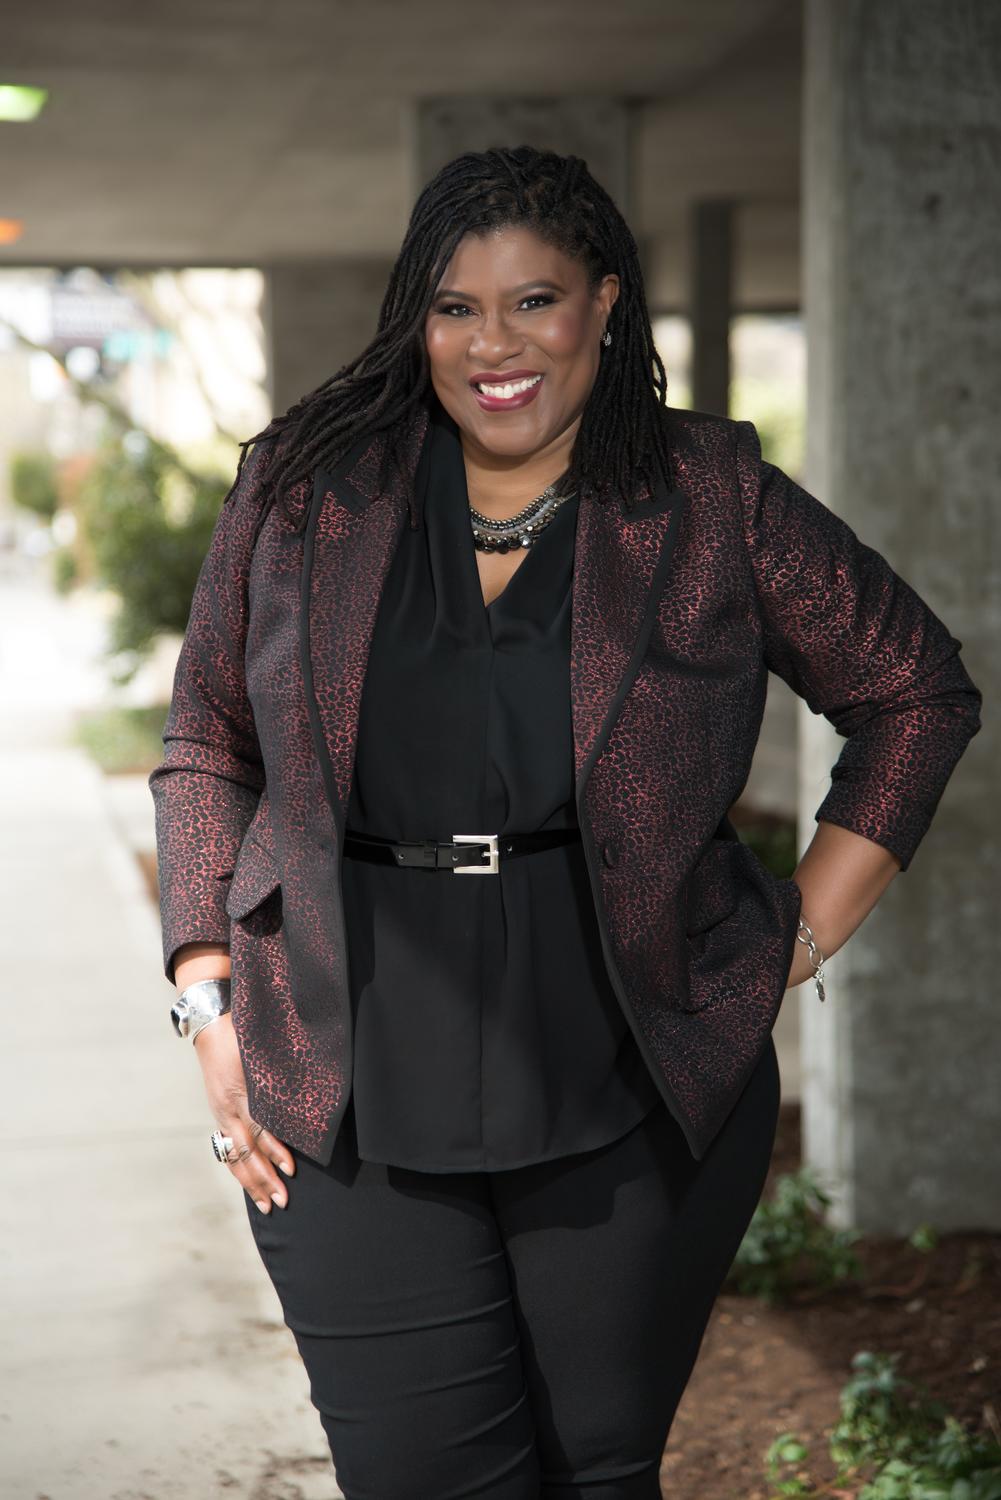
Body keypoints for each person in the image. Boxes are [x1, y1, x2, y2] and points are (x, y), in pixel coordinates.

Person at [148, 145, 982, 1498]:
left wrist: (802, 934)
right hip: (340, 1080)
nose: (495, 345)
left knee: (597, 1472)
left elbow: (914, 691)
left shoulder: (708, 497)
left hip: (632, 1075)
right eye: (455, 308)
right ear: (415, 320)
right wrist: (205, 994)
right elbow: (205, 741)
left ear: (603, 302)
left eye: (532, 301)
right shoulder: (306, 490)